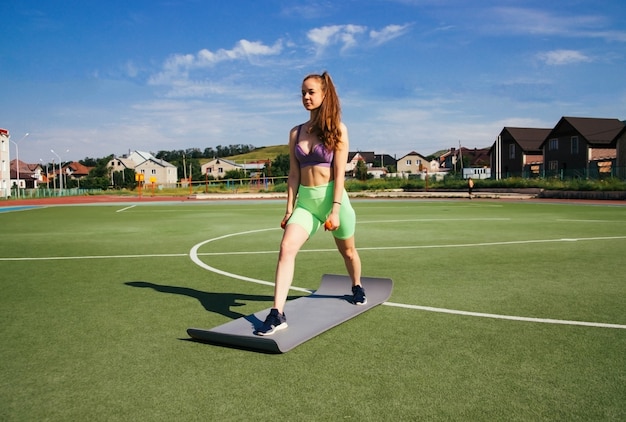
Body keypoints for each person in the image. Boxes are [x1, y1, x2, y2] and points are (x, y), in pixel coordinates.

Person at [255, 72, 366, 336]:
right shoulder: (296, 132)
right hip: (306, 203)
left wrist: (336, 209)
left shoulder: (338, 129)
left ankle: (357, 285)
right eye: (303, 92)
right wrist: (289, 209)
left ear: (324, 94)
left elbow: (339, 173)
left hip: (332, 200)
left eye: (311, 92)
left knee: (348, 252)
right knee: (286, 248)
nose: (305, 97)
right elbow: (293, 175)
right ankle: (277, 313)